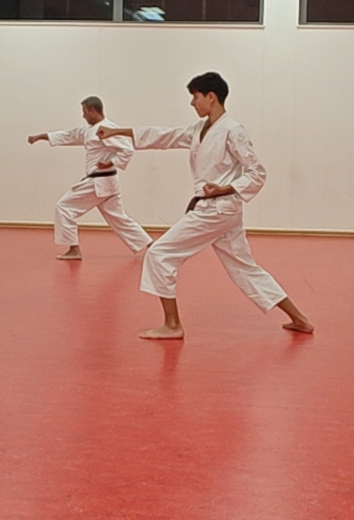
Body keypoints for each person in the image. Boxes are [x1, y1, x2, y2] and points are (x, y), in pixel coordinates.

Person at [98, 72, 312, 339]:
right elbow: (163, 136)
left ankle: (173, 325)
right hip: (222, 211)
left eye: (195, 97)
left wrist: (223, 188)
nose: (192, 104)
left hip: (217, 209)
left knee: (160, 253)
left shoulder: (233, 130)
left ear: (211, 97)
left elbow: (257, 173)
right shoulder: (200, 129)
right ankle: (300, 319)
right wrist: (117, 131)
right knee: (245, 267)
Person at [27, 96, 153, 260]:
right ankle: (153, 247)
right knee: (119, 218)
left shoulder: (105, 129)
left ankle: (73, 249)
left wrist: (110, 162)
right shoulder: (91, 130)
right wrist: (41, 137)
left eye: (85, 112)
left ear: (93, 111)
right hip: (107, 183)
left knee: (64, 207)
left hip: (98, 181)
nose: (83, 115)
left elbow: (127, 149)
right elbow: (70, 135)